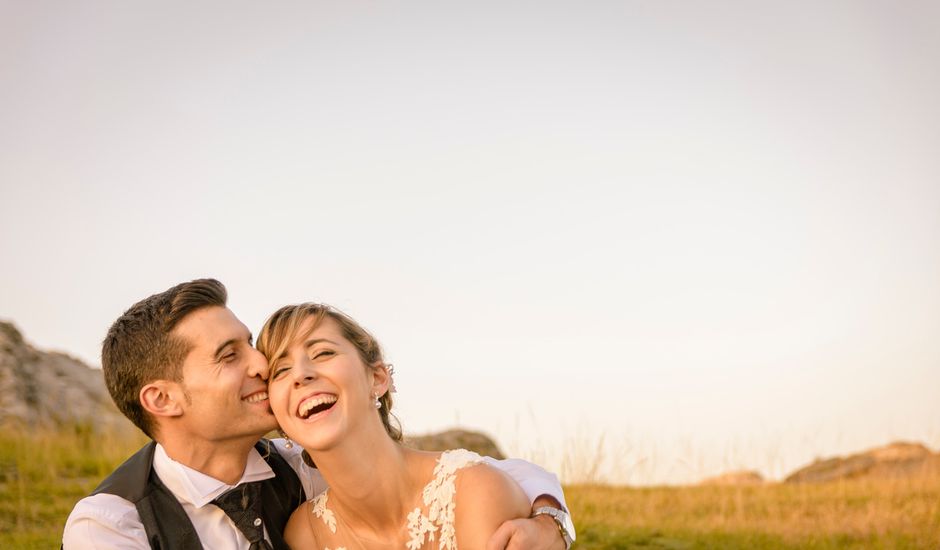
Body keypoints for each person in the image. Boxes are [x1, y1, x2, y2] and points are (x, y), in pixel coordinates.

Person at [62, 279, 575, 549]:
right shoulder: (112, 526)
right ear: (163, 400)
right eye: (228, 355)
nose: (262, 366)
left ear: (377, 376)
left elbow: (468, 476)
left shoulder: (301, 464)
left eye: (250, 345)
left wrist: (548, 519)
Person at [258, 302, 571, 549]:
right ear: (275, 411)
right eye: (281, 370)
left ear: (377, 378)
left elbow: (509, 478)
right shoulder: (305, 535)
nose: (301, 373)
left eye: (323, 352)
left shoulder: (472, 494)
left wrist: (550, 519)